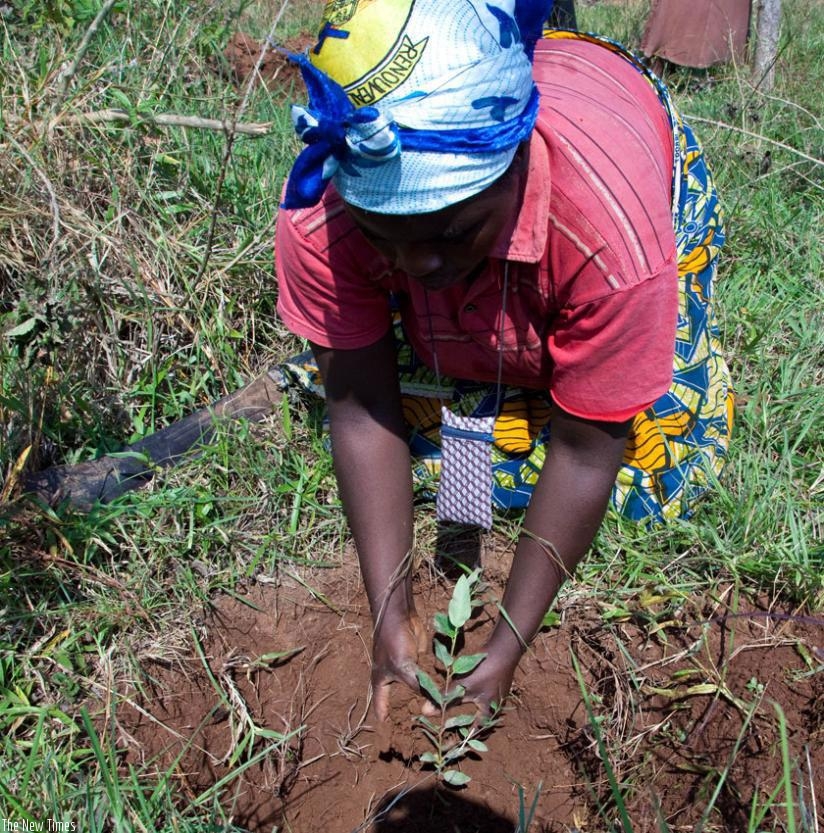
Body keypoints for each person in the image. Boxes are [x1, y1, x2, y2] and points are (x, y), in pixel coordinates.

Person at [274, 0, 733, 720]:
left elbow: (586, 454)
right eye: (384, 236)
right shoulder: (322, 212)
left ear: (516, 160)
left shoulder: (611, 236)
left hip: (623, 139)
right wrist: (387, 614)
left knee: (657, 461)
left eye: (452, 231)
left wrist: (510, 644)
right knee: (446, 424)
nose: (417, 262)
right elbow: (360, 407)